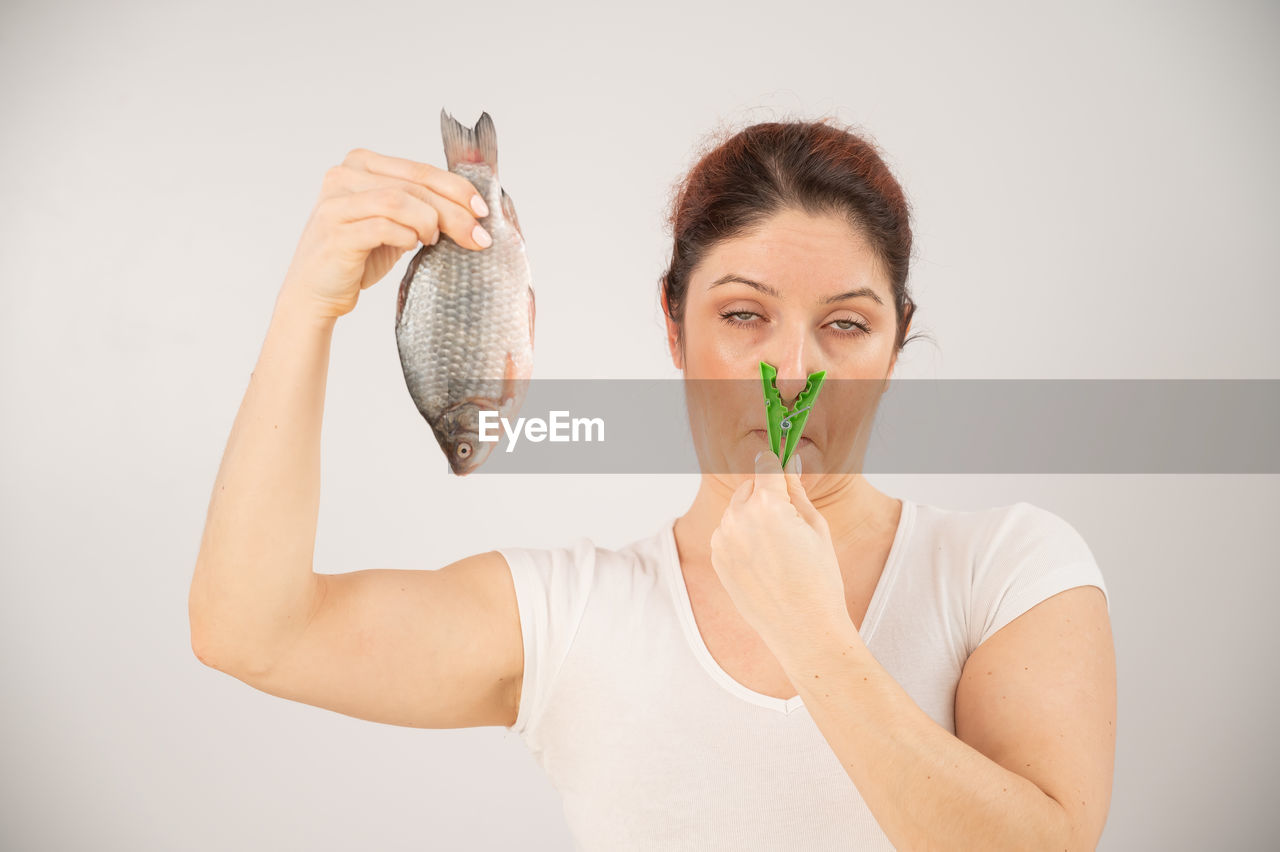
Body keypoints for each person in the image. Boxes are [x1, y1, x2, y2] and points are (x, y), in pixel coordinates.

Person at [188, 118, 1116, 851]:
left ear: (896, 342)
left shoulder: (1007, 570)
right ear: (673, 331)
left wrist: (809, 630)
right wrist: (307, 306)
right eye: (744, 315)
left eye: (845, 325)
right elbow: (251, 633)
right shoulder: (572, 614)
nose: (791, 371)